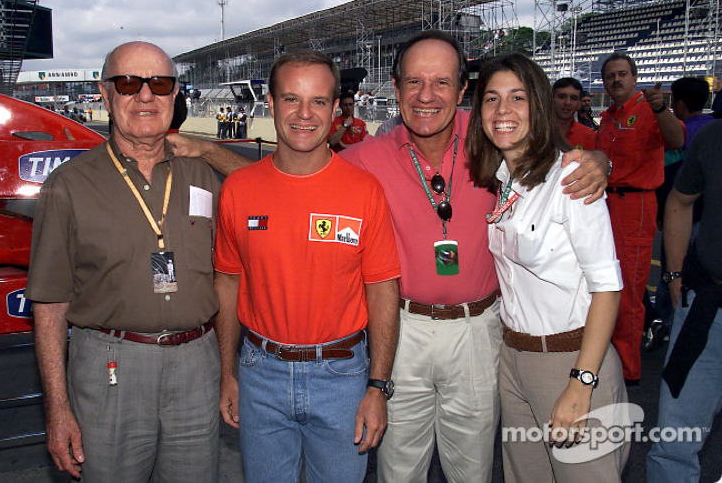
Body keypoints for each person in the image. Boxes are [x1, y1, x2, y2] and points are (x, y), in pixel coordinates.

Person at [167, 30, 610, 482]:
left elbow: (546, 162)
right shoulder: (364, 159)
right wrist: (208, 151)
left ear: (462, 91)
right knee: (398, 470)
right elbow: (288, 185)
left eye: (441, 83)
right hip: (404, 328)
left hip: (479, 330)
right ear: (395, 90)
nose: (426, 96)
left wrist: (595, 160)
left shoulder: (491, 143)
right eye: (414, 82)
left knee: (473, 469)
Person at [27, 41, 221, 482]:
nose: (146, 95)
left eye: (160, 84)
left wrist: (208, 151)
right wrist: (57, 409)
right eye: (129, 83)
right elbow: (50, 305)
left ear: (175, 95)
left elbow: (266, 188)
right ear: (105, 93)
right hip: (110, 367)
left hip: (197, 365)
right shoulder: (68, 186)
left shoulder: (204, 174)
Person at [214, 50, 401, 482]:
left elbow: (383, 291)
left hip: (342, 377)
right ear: (271, 103)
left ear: (336, 109)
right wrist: (228, 373)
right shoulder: (238, 190)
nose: (304, 114)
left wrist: (377, 387)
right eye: (291, 99)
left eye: (318, 101)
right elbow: (227, 284)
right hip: (259, 374)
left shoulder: (364, 191)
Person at [467, 53, 627, 482]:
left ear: (537, 105)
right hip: (514, 360)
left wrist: (582, 382)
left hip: (570, 358)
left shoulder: (571, 178)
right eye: (492, 99)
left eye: (517, 98)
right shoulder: (504, 182)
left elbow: (607, 287)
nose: (503, 111)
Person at [596, 52, 686, 385]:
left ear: (634, 78)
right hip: (605, 205)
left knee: (630, 291)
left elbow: (676, 139)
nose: (616, 80)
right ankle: (609, 357)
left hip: (636, 205)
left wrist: (661, 108)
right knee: (605, 284)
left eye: (622, 74)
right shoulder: (606, 119)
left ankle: (628, 369)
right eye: (610, 76)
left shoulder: (649, 111)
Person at [646, 119, 722, 483]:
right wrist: (674, 274)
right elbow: (679, 200)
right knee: (674, 444)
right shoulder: (713, 138)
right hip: (706, 310)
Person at [646, 76, 714, 351]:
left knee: (672, 275)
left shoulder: (678, 133)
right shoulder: (714, 129)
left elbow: (669, 179)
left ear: (679, 103)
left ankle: (666, 326)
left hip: (684, 219)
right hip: (710, 222)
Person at [553, 78, 596, 150]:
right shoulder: (535, 132)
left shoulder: (589, 136)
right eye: (562, 97)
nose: (567, 102)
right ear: (551, 99)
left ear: (579, 104)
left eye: (573, 98)